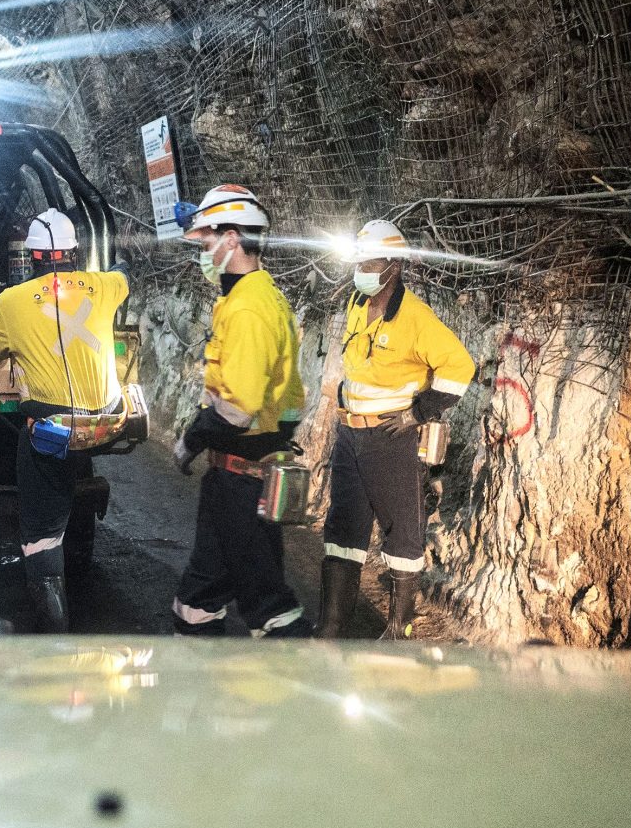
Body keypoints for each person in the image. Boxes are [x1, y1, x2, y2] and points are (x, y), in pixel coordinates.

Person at [314, 219, 476, 640]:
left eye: (372, 262)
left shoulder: (417, 318)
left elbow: (460, 366)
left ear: (395, 266)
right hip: (350, 434)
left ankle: (397, 630)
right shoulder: (355, 301)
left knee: (402, 533)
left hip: (392, 438)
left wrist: (419, 412)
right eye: (360, 261)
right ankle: (331, 627)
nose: (363, 269)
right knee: (342, 532)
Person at [169, 184, 313, 638]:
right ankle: (207, 690)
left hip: (242, 478)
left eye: (208, 241)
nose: (204, 252)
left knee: (264, 601)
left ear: (232, 239)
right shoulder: (249, 297)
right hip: (238, 475)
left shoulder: (249, 308)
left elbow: (239, 409)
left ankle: (294, 685)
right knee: (202, 594)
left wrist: (190, 439)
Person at [0, 209, 129, 633]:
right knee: (67, 481)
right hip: (102, 423)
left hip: (51, 429)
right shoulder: (103, 286)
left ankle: (54, 635)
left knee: (41, 530)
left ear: (32, 258)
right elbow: (124, 273)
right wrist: (115, 267)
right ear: (77, 254)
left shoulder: (11, 301)